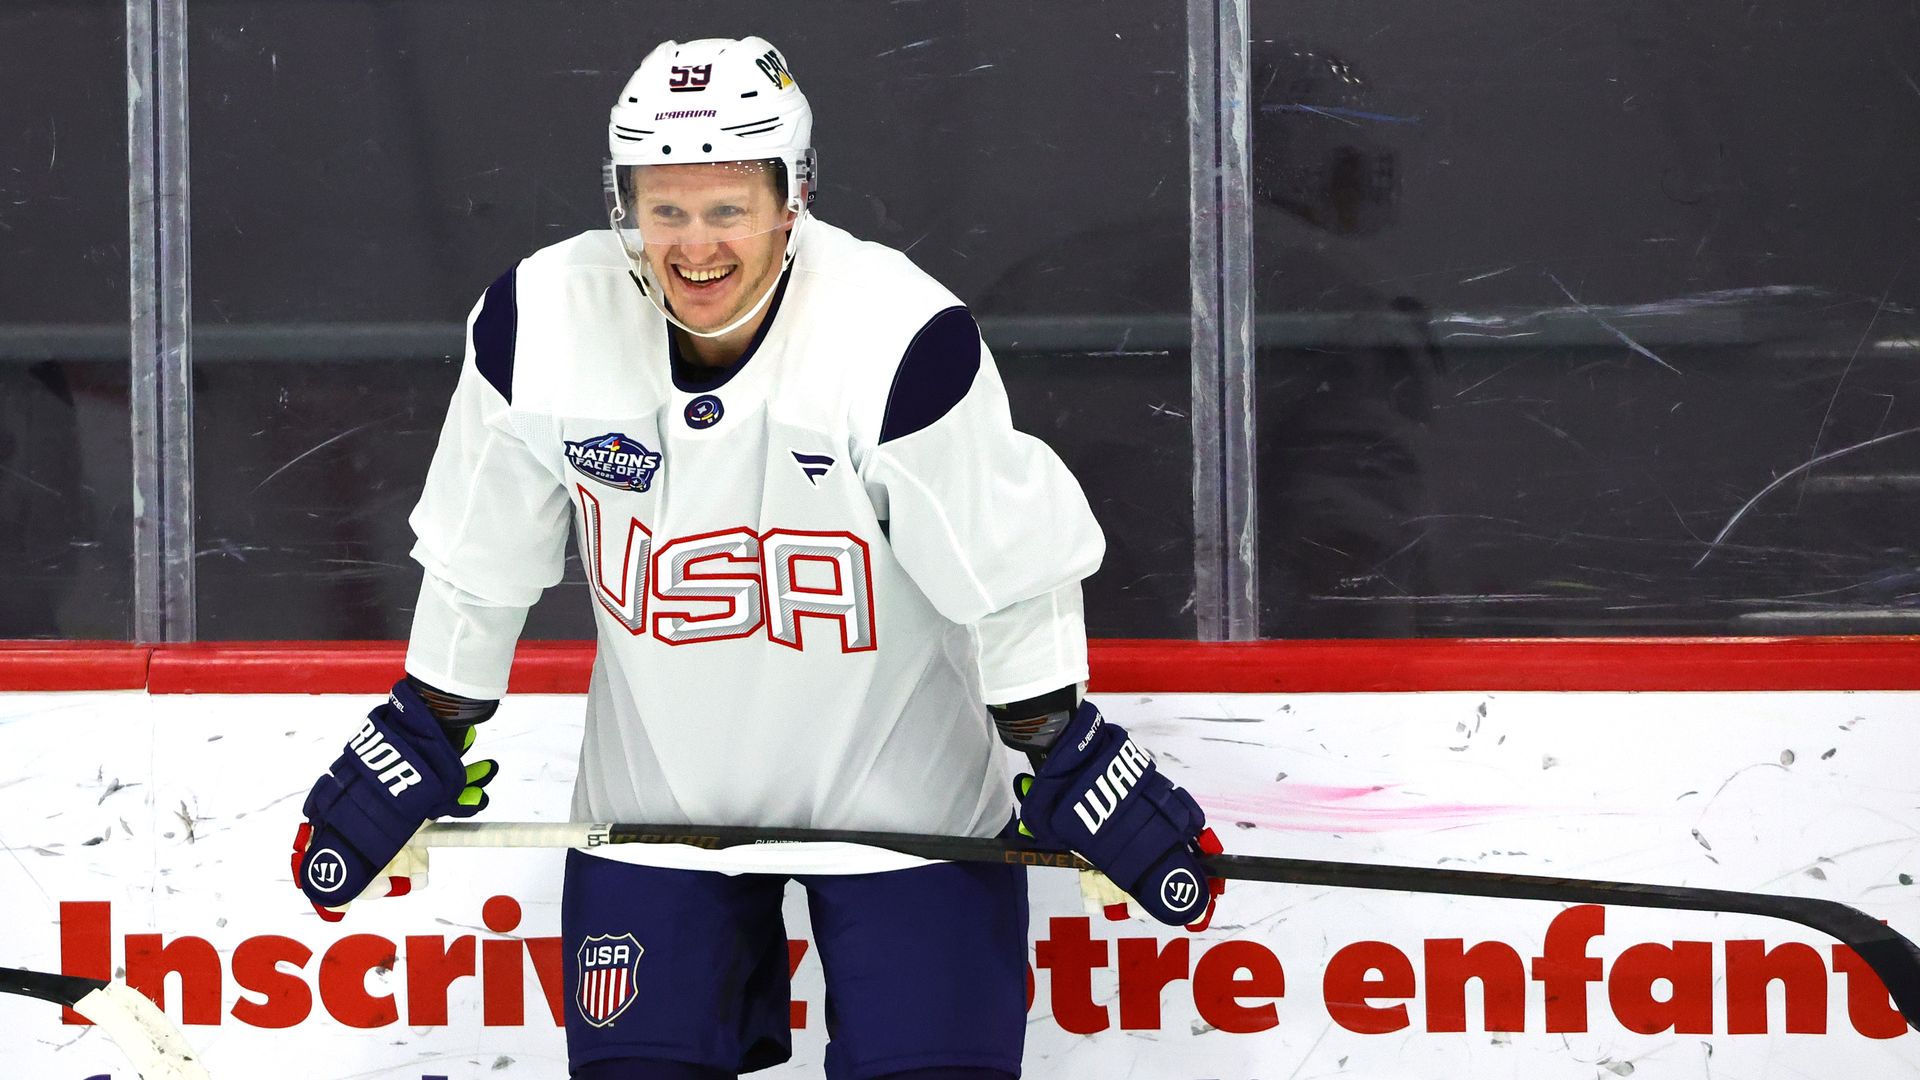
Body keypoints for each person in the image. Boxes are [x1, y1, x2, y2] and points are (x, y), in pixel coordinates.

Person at [289, 36, 1220, 1080]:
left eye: (727, 208)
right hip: (655, 818)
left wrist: (1066, 747)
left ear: (794, 196)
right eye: (664, 208)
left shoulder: (894, 334)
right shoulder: (536, 322)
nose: (695, 246)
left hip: (901, 815)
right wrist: (427, 722)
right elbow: (479, 552)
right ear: (622, 200)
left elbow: (1003, 563)